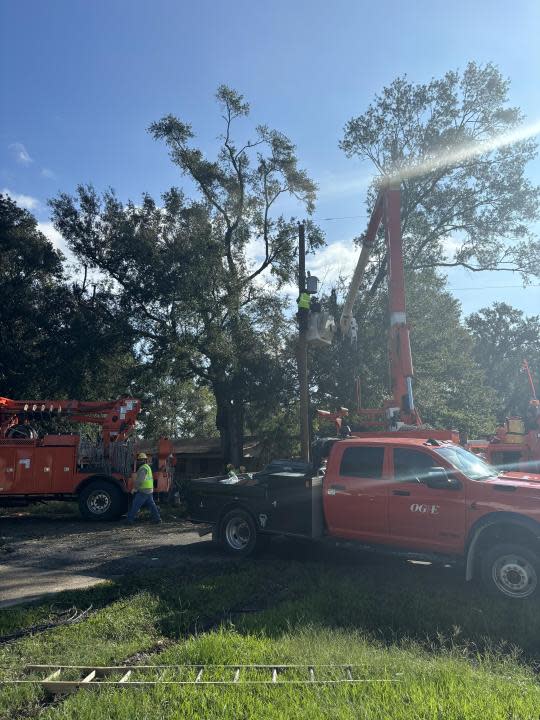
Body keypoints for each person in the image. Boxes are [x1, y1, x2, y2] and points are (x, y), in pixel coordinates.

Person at [126, 452, 162, 524]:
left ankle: (129, 520)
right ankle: (157, 519)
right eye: (139, 460)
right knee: (152, 506)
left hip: (143, 491)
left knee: (135, 505)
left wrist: (135, 489)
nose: (139, 461)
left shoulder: (143, 468)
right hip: (149, 490)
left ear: (142, 461)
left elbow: (140, 480)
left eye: (140, 460)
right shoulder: (148, 467)